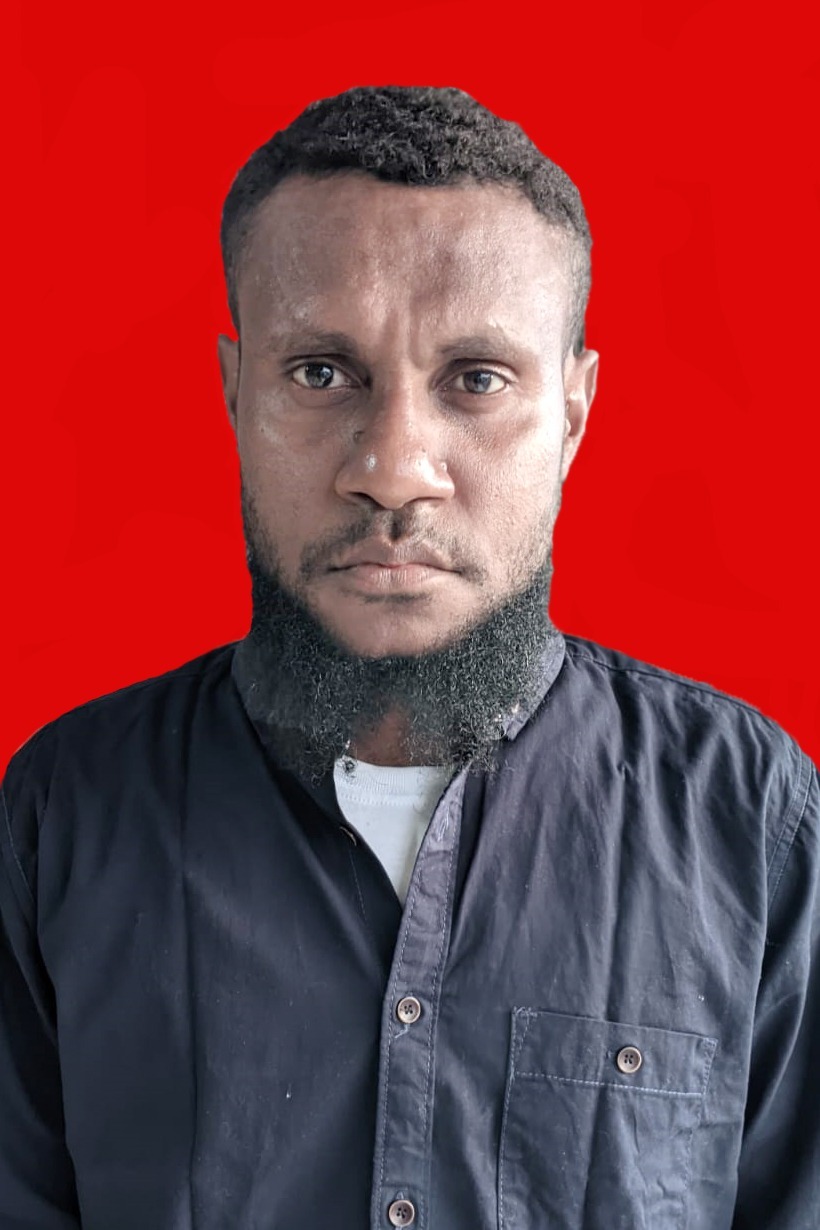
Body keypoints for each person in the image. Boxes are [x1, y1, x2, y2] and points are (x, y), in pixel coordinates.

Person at [0, 85, 817, 1230]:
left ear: (574, 414)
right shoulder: (61, 817)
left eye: (476, 379)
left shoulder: (752, 820)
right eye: (320, 373)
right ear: (235, 395)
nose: (392, 468)